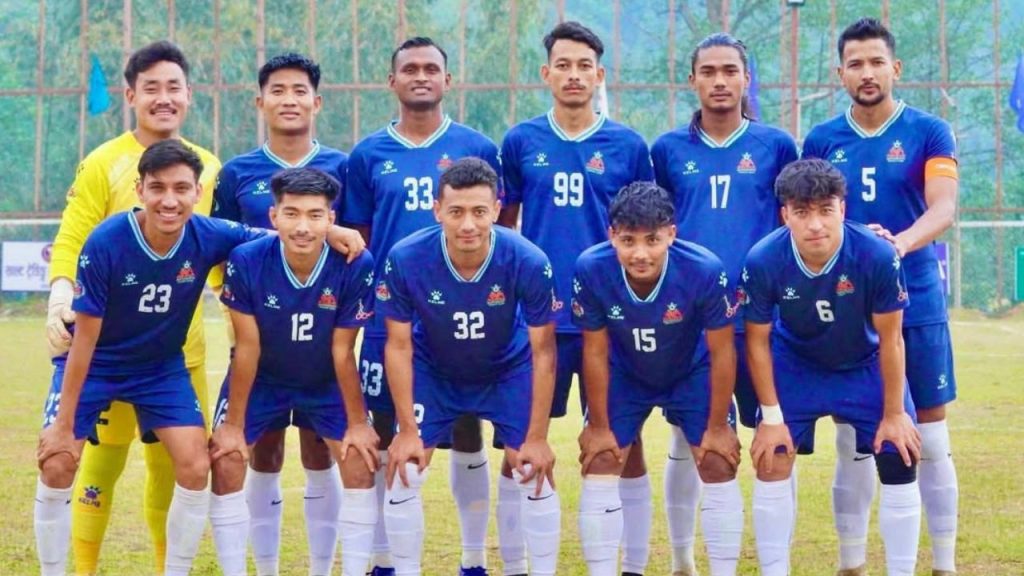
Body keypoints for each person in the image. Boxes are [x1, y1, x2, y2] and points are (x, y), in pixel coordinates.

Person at [35, 140, 363, 576]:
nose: (169, 201)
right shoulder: (107, 241)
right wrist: (63, 425)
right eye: (158, 188)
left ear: (197, 192)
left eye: (181, 189)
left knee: (195, 466)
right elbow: (85, 339)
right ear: (140, 190)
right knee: (58, 462)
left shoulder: (209, 233)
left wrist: (329, 232)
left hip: (160, 369)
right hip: (97, 362)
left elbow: (276, 235)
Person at [42, 40, 221, 575]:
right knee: (100, 463)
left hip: (177, 353)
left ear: (189, 94)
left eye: (173, 87)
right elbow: (73, 237)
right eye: (151, 88)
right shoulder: (103, 162)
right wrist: (60, 294)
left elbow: (219, 248)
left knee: (177, 468)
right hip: (106, 347)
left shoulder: (210, 167)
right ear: (131, 96)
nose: (163, 98)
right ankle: (82, 567)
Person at [802, 17, 960, 576]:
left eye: (876, 62)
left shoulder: (929, 131)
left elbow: (944, 206)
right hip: (848, 306)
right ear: (840, 73)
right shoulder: (822, 140)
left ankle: (944, 564)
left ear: (895, 68)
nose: (866, 73)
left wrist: (899, 244)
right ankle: (851, 563)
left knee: (931, 436)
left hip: (916, 297)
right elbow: (811, 215)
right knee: (855, 437)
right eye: (855, 64)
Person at [341, 37, 502, 576]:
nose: (420, 76)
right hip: (392, 316)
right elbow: (361, 240)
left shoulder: (477, 146)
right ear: (392, 81)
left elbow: (496, 225)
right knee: (388, 430)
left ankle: (474, 560)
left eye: (431, 68)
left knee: (466, 427)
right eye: (409, 68)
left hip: (462, 314)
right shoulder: (367, 155)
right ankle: (385, 561)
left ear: (447, 80)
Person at [497, 21, 654, 576]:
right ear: (546, 73)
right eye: (563, 65)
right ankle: (516, 566)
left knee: (620, 443)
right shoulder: (520, 142)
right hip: (537, 320)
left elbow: (645, 233)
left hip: (609, 321)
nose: (573, 75)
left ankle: (631, 565)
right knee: (520, 443)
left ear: (599, 74)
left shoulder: (628, 146)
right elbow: (504, 229)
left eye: (584, 65)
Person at [650, 32, 797, 576]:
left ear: (746, 79)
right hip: (690, 324)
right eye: (708, 71)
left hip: (761, 321)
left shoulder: (776, 146)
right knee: (689, 440)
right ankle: (684, 559)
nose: (719, 81)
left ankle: (776, 565)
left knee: (774, 440)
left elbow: (794, 223)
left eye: (730, 71)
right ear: (692, 80)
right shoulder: (667, 151)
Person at [377, 158, 561, 576]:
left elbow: (544, 351)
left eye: (479, 211)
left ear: (496, 210)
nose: (467, 225)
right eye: (456, 211)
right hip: (435, 370)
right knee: (406, 469)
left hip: (506, 370)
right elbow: (399, 345)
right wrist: (407, 430)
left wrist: (537, 437)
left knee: (531, 467)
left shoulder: (528, 259)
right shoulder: (406, 257)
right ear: (437, 210)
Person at [742, 158, 923, 576]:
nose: (815, 225)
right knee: (771, 457)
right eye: (802, 212)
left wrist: (894, 414)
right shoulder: (764, 259)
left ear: (842, 208)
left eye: (826, 210)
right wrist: (771, 418)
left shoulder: (876, 254)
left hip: (864, 365)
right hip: (797, 365)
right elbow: (756, 341)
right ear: (785, 214)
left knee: (900, 452)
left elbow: (892, 339)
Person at [210, 52, 350, 576]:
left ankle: (321, 567)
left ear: (317, 101)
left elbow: (353, 244)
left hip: (322, 341)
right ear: (260, 101)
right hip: (258, 337)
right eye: (278, 90)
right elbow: (221, 247)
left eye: (299, 91)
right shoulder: (237, 173)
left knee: (320, 451)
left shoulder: (343, 167)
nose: (289, 100)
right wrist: (235, 310)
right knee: (262, 451)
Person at [209, 167, 377, 576]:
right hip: (262, 380)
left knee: (359, 457)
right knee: (227, 459)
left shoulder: (355, 262)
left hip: (324, 381)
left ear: (331, 219)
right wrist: (233, 426)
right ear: (274, 216)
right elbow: (247, 347)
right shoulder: (247, 260)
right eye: (292, 213)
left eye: (315, 215)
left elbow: (343, 350)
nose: (303, 226)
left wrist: (358, 424)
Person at [572, 181, 742, 576]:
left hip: (690, 371)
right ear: (611, 235)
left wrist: (719, 426)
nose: (640, 253)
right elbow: (594, 351)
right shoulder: (591, 268)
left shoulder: (703, 269)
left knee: (718, 461)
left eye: (652, 239)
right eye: (628, 240)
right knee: (602, 457)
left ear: (671, 234)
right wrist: (599, 426)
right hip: (625, 372)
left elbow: (722, 351)